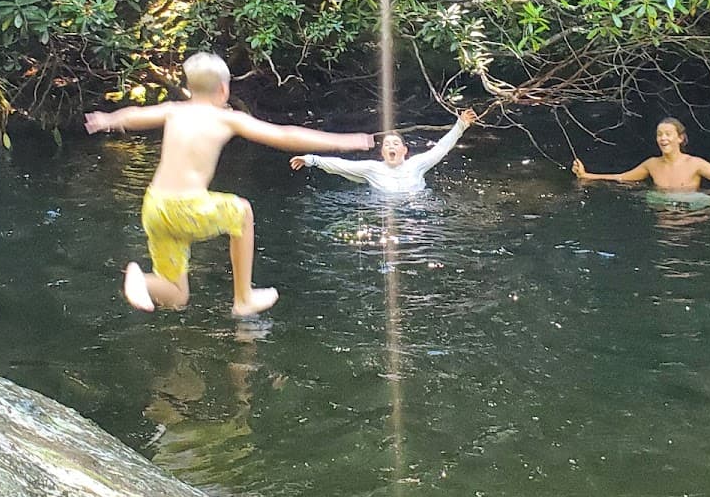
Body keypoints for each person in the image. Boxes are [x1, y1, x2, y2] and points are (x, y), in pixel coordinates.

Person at [84, 53, 374, 317]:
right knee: (243, 212)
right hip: (185, 208)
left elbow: (134, 114)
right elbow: (285, 136)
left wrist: (108, 118)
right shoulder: (226, 118)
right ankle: (243, 297)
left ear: (189, 88)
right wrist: (341, 141)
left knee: (176, 296)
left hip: (155, 207)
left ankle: (141, 280)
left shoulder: (174, 110)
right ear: (223, 89)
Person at [289, 108, 478, 194]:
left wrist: (460, 125)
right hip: (383, 210)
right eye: (387, 145)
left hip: (417, 209)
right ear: (382, 153)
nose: (391, 147)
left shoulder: (417, 164)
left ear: (405, 150)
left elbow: (441, 148)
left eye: (395, 144)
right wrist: (311, 159)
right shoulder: (372, 168)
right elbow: (341, 165)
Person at [572, 118, 710, 192]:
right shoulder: (651, 164)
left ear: (680, 138)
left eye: (668, 134)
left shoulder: (696, 164)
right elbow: (622, 177)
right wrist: (586, 175)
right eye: (659, 134)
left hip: (691, 215)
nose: (663, 138)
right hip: (663, 218)